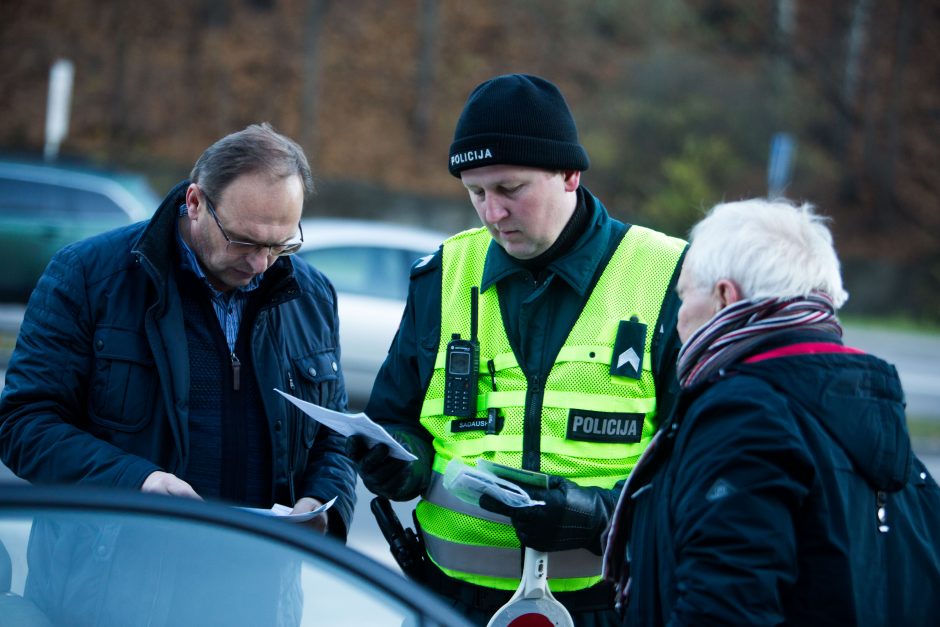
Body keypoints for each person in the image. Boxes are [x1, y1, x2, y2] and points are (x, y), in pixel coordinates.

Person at [346, 73, 687, 625]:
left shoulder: (666, 276)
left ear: (570, 174)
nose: (491, 213)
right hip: (448, 601)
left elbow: (701, 465)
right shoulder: (442, 275)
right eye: (475, 192)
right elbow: (397, 419)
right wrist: (397, 467)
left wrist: (599, 515)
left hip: (608, 605)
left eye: (509, 189)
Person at [0, 123, 357, 625]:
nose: (260, 263)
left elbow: (335, 439)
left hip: (256, 602)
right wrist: (136, 482)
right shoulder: (87, 276)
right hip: (106, 601)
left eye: (281, 245)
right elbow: (23, 424)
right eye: (243, 241)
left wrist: (322, 505)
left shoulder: (313, 296)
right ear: (194, 202)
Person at [602, 198, 940, 626]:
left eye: (684, 295)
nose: (680, 317)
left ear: (725, 296)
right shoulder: (863, 406)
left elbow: (725, 609)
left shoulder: (744, 414)